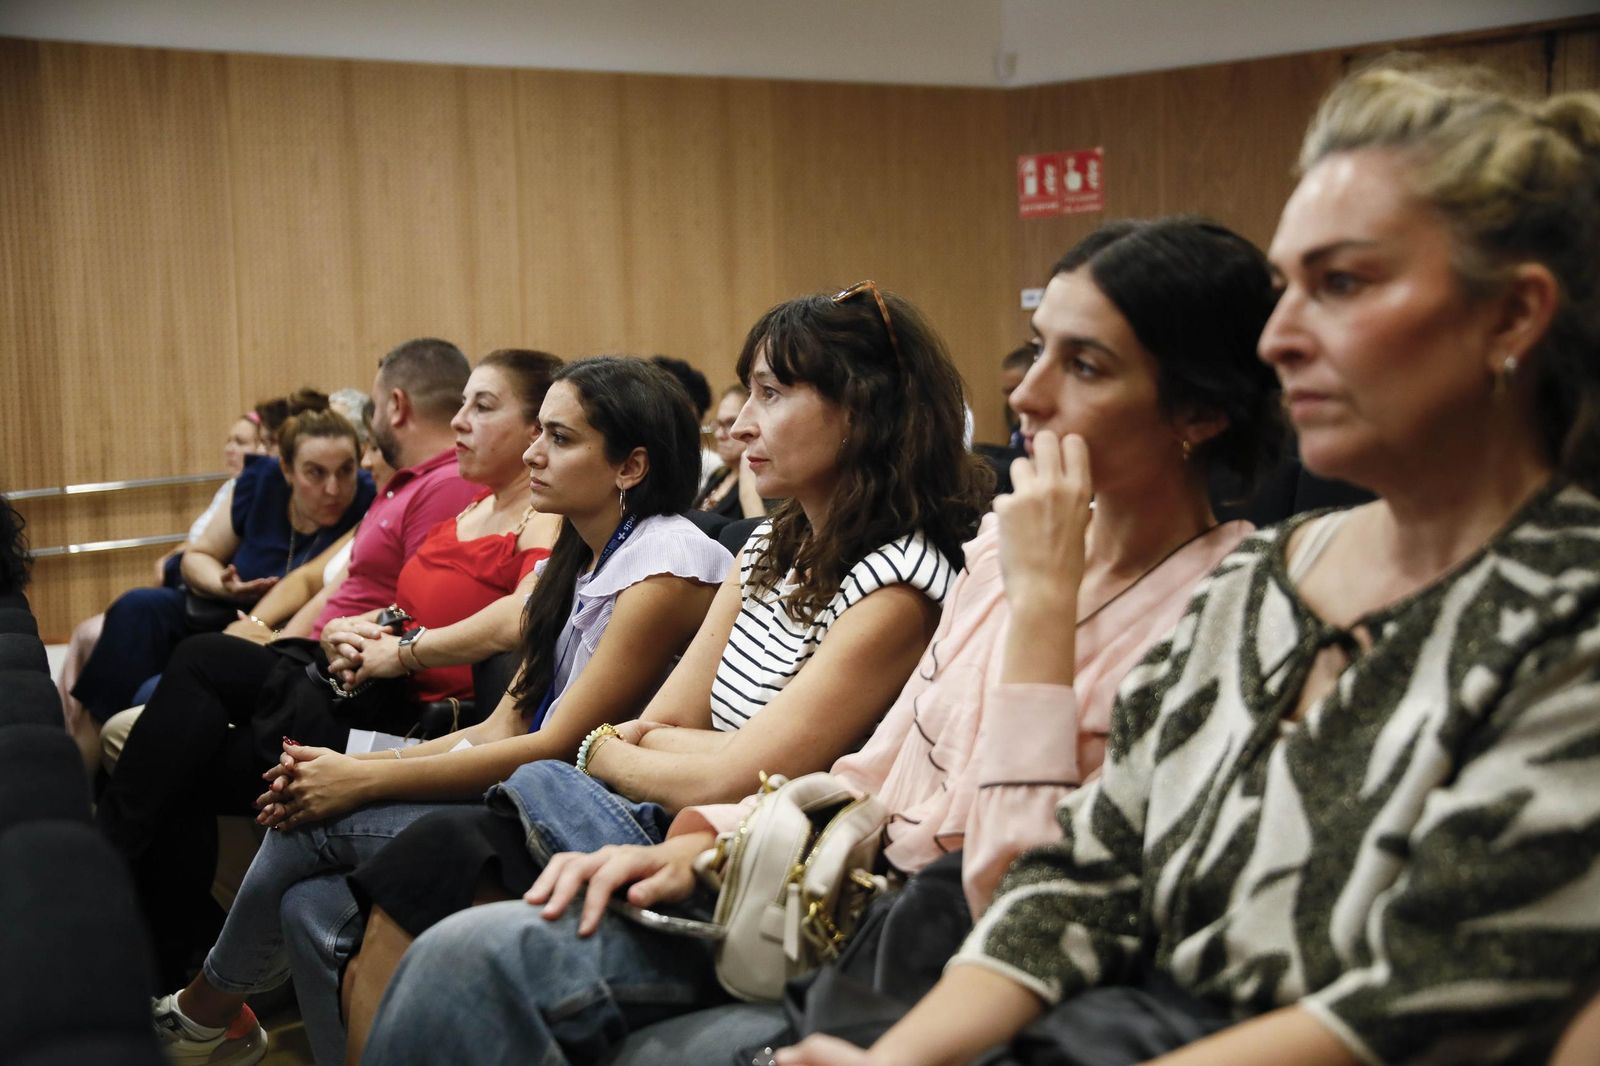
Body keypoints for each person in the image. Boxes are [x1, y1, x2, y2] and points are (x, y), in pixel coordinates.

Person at [767, 63, 1600, 1066]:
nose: (1282, 340)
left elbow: (1421, 998)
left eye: (1340, 285)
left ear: (1510, 318)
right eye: (1285, 287)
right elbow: (1083, 873)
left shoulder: (1568, 610)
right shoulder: (1272, 576)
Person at [356, 218, 1285, 1065]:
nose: (1028, 396)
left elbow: (1012, 889)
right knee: (463, 952)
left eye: (1082, 365)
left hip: (938, 946)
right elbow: (872, 770)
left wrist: (1043, 614)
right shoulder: (1002, 544)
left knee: (502, 958)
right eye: (1039, 353)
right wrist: (713, 844)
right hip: (821, 876)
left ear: (1199, 413)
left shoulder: (1218, 605)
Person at [317, 284, 989, 1061]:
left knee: (451, 919)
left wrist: (661, 755)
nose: (740, 424)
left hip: (742, 863)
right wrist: (680, 756)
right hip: (662, 819)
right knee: (415, 872)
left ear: (862, 408)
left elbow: (720, 773)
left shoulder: (899, 584)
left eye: (771, 395)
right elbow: (661, 734)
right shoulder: (769, 546)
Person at [145, 356, 731, 1066]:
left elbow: (564, 746)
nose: (532, 453)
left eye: (559, 438)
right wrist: (352, 766)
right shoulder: (581, 554)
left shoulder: (668, 558)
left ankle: (203, 1013)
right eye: (537, 431)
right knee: (309, 909)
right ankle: (222, 1017)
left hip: (591, 813)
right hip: (532, 785)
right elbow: (505, 725)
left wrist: (360, 780)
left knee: (309, 825)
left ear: (630, 466)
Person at [95, 338, 485, 987]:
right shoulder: (407, 486)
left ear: (393, 405)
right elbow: (317, 583)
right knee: (181, 754)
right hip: (326, 665)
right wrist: (263, 634)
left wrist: (340, 646)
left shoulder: (438, 487)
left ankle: (98, 885)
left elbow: (412, 607)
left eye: (485, 407)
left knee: (193, 664)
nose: (467, 422)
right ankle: (166, 965)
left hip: (363, 690)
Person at [69, 402, 374, 726]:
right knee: (137, 607)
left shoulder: (369, 499)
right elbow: (197, 556)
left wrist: (257, 626)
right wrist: (223, 584)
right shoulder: (260, 480)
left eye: (346, 471)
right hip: (221, 607)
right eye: (315, 472)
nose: (333, 488)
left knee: (166, 684)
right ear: (286, 468)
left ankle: (130, 734)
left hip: (278, 632)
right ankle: (92, 757)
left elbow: (315, 585)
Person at [56, 408, 272, 766]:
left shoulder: (265, 490)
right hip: (206, 599)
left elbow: (301, 581)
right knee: (128, 612)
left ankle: (86, 766)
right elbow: (193, 554)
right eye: (231, 440)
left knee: (114, 630)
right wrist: (203, 573)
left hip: (241, 620)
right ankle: (80, 773)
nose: (236, 450)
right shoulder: (239, 487)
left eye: (248, 442)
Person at [693, 384, 767, 520]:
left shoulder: (766, 482)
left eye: (731, 423)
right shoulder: (719, 473)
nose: (719, 435)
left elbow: (761, 535)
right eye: (719, 424)